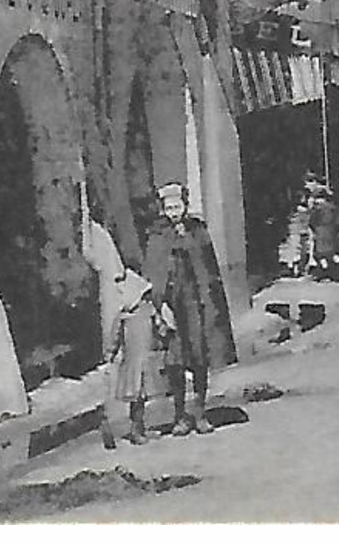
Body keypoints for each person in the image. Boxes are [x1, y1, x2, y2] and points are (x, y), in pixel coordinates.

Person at [144, 183, 237, 436]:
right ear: (163, 209)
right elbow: (153, 272)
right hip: (171, 307)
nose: (174, 212)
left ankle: (200, 412)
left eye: (177, 206)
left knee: (199, 359)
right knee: (175, 362)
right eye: (169, 207)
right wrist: (158, 306)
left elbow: (207, 269)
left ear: (185, 206)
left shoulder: (197, 230)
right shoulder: (157, 234)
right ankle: (179, 415)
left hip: (197, 305)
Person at [100, 269, 164, 449]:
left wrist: (164, 330)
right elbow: (115, 337)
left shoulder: (149, 311)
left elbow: (160, 327)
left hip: (146, 360)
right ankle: (136, 429)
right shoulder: (123, 317)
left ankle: (139, 426)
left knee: (142, 397)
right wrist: (110, 354)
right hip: (132, 362)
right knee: (136, 397)